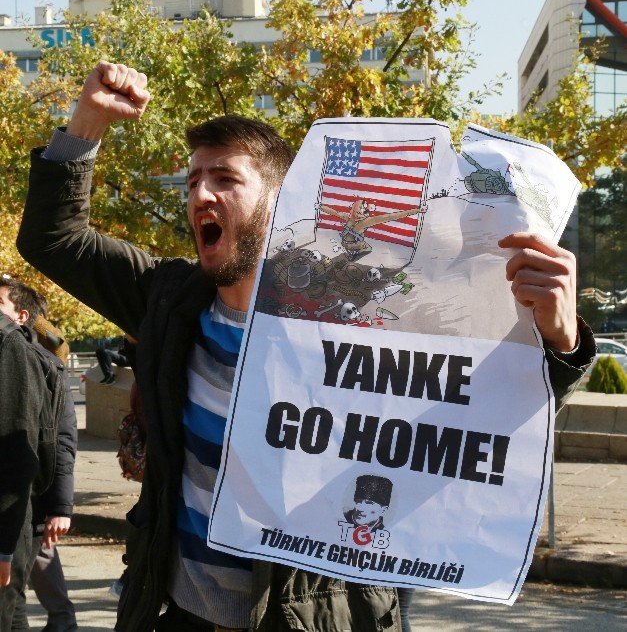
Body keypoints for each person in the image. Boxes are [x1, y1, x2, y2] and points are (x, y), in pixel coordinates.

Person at [18, 61, 595, 632]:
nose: (200, 195)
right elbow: (54, 238)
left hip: (315, 616)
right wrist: (87, 121)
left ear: (280, 201)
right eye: (192, 182)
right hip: (180, 616)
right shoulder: (168, 299)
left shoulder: (360, 319)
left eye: (224, 179)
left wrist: (560, 338)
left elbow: (484, 408)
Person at [0, 278, 78, 632]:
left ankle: (64, 622)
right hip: (21, 504)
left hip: (28, 501)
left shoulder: (38, 364)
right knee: (15, 597)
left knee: (15, 589)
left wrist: (60, 507)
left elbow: (61, 440)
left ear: (21, 317)